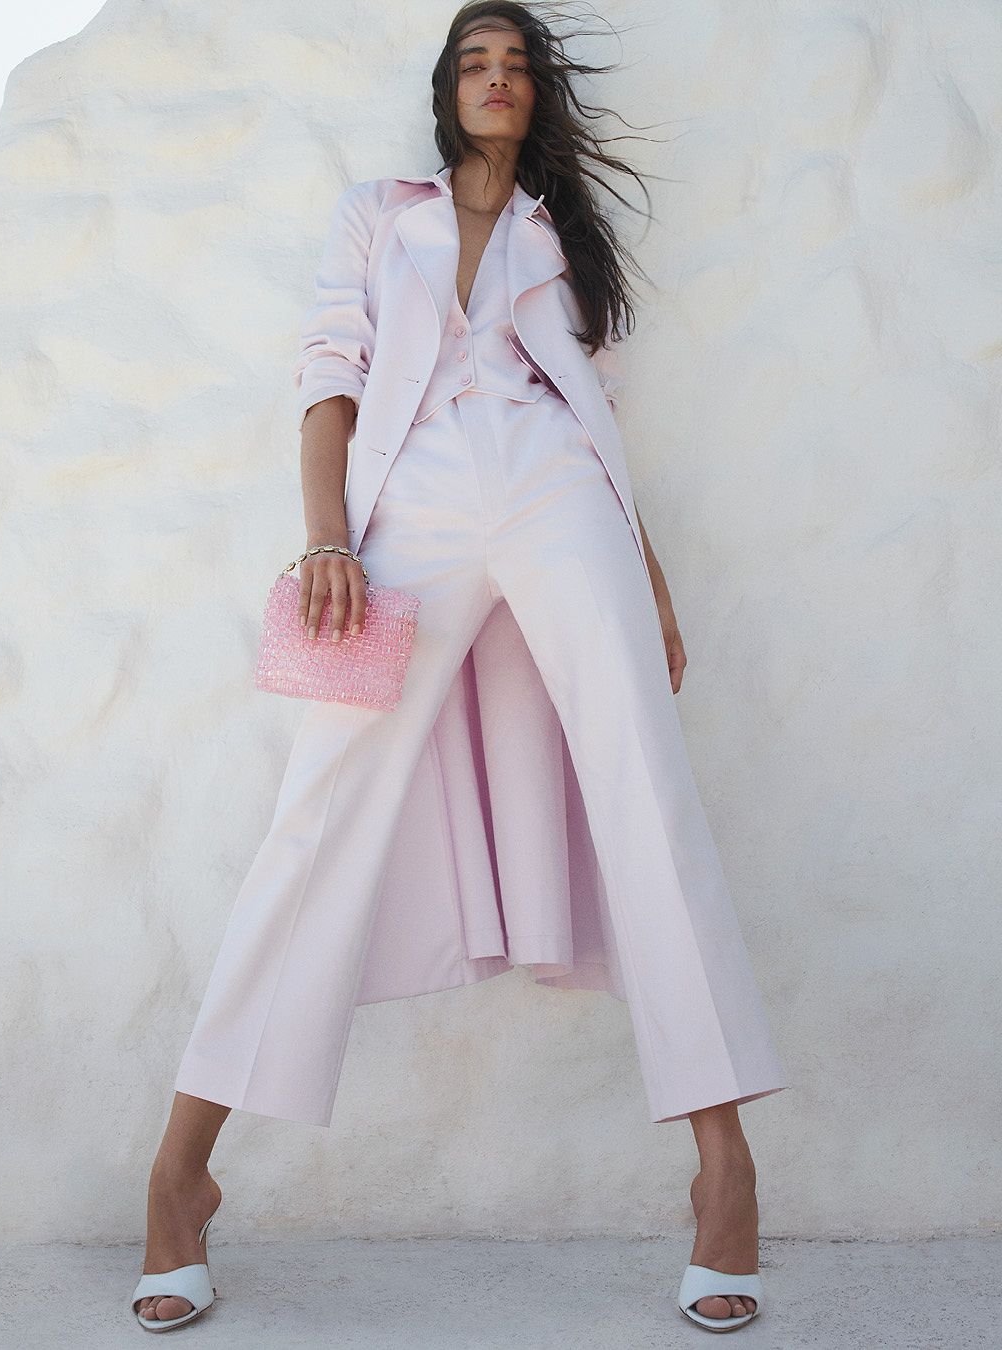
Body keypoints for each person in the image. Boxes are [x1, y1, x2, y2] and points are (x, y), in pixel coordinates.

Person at [131, 2, 790, 1333]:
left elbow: (598, 426)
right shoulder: (381, 214)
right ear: (448, 93)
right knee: (317, 818)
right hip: (411, 509)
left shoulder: (564, 240)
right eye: (474, 61)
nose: (496, 78)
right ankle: (180, 1173)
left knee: (646, 788)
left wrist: (648, 576)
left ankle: (724, 1166)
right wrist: (329, 539)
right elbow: (330, 378)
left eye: (515, 64)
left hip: (557, 494)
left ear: (536, 97)